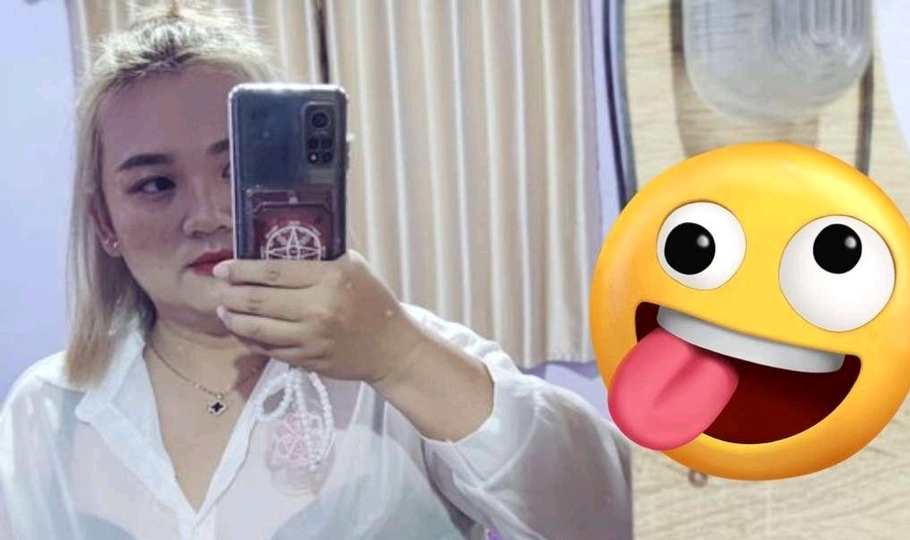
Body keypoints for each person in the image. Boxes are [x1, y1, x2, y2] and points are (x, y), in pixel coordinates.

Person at [0, 2, 631, 539]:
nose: (208, 215)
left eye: (236, 169)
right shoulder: (45, 411)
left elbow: (600, 518)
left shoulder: (396, 367)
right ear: (104, 222)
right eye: (156, 184)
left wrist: (401, 358)